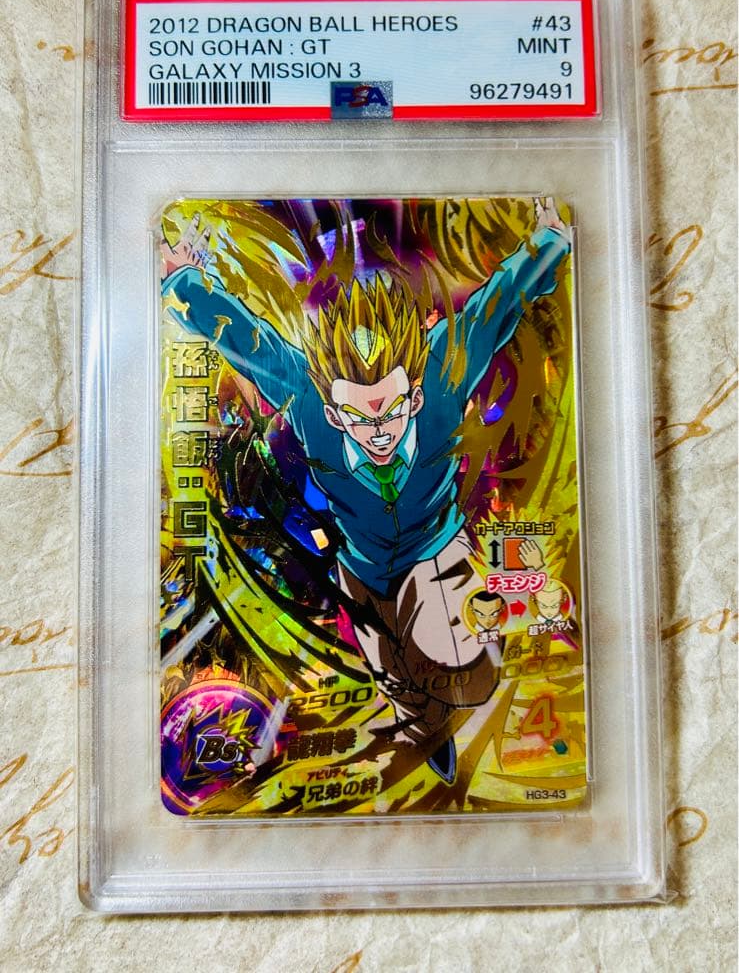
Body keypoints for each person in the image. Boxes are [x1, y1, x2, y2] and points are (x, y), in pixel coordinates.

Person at [161, 197, 571, 781]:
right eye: (360, 418)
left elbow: (493, 309)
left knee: (466, 668)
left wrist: (550, 243)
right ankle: (425, 730)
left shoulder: (444, 373)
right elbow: (250, 343)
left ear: (416, 397)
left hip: (435, 552)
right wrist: (183, 281)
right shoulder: (307, 398)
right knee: (390, 669)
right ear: (333, 412)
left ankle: (446, 702)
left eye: (392, 413)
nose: (379, 432)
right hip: (361, 567)